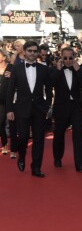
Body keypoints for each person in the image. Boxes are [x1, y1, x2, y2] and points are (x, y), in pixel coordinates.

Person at [6, 41, 52, 177]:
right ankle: (22, 156)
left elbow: (49, 89)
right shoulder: (16, 68)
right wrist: (9, 110)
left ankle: (36, 167)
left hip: (39, 109)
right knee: (24, 137)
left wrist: (47, 104)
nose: (33, 53)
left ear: (38, 53)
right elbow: (10, 90)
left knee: (39, 139)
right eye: (30, 51)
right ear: (24, 52)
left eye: (35, 51)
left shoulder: (44, 69)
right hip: (21, 108)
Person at [50, 47, 82, 173]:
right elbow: (50, 84)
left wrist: (78, 71)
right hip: (61, 107)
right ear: (61, 57)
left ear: (74, 58)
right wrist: (59, 70)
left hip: (76, 107)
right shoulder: (55, 70)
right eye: (65, 58)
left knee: (78, 135)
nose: (67, 60)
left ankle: (80, 164)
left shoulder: (79, 69)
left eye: (70, 58)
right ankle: (57, 158)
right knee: (59, 134)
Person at [0, 49, 13, 155]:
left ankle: (13, 147)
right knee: (0, 123)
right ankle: (4, 144)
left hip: (8, 100)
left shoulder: (10, 68)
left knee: (9, 123)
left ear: (4, 57)